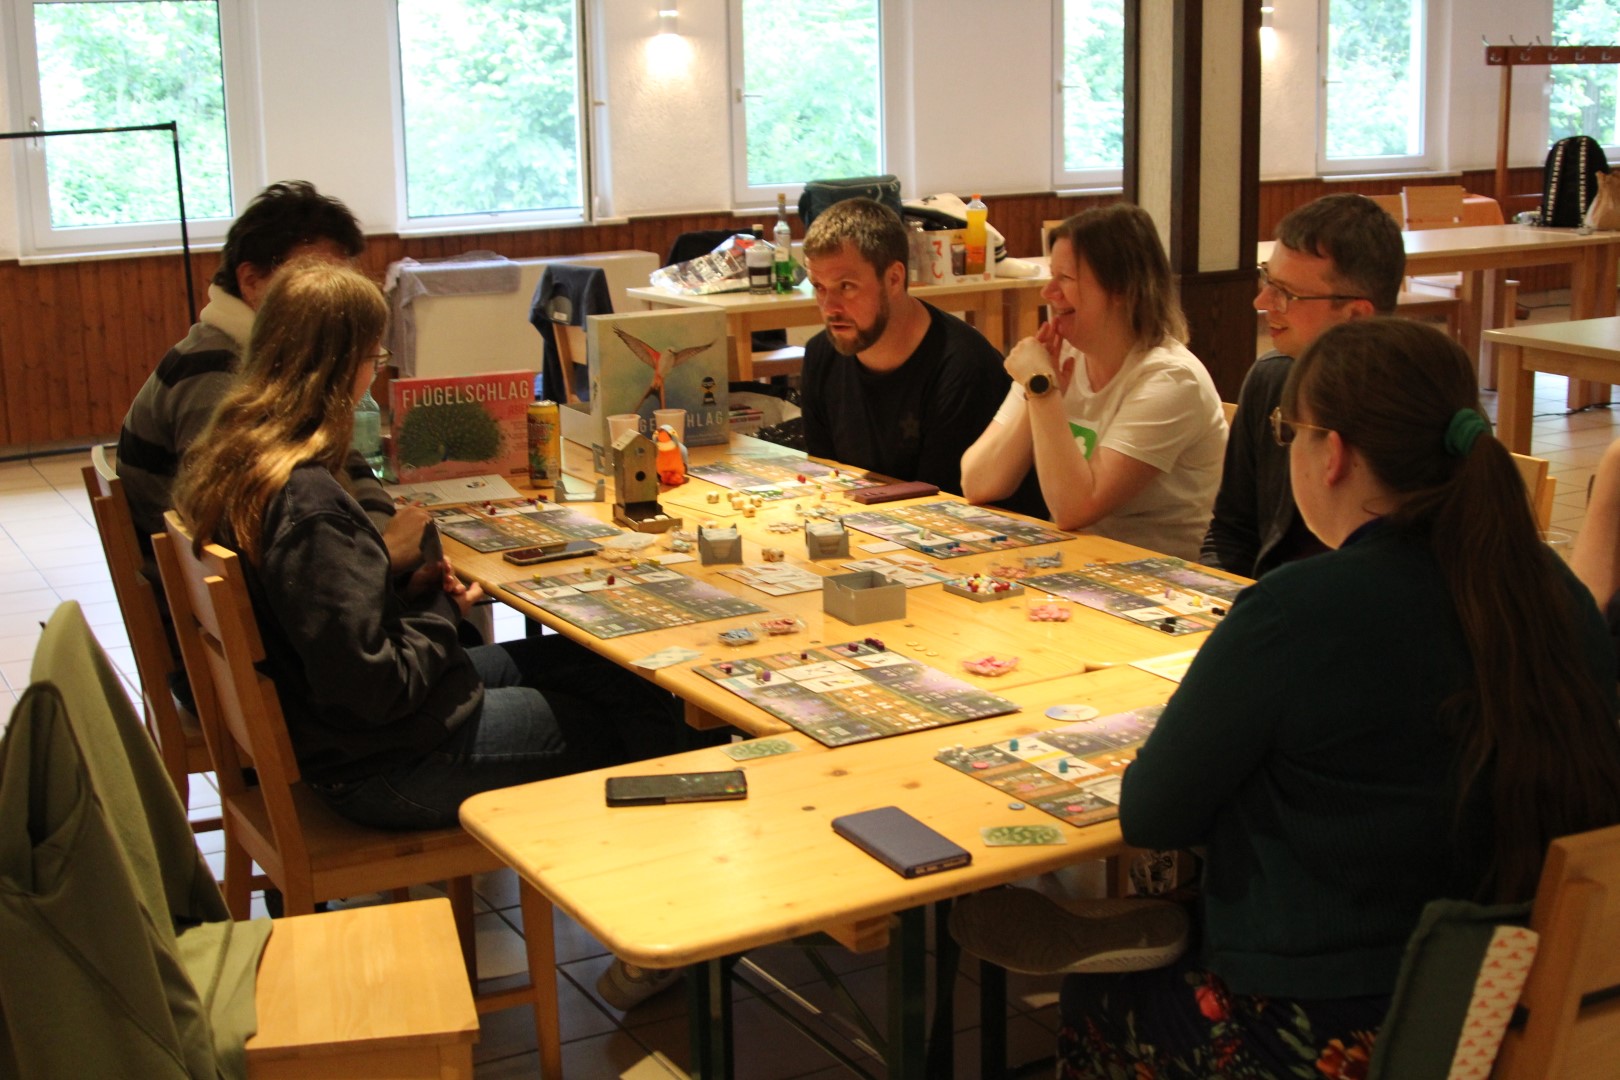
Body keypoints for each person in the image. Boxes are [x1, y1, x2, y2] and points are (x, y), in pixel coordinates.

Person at [1048, 318, 1620, 1077]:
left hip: (1338, 1018)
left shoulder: (1298, 610)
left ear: (1335, 454)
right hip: (1509, 991)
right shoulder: (1553, 592)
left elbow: (1152, 814)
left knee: (1101, 995)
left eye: (1290, 432)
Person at [173, 260, 692, 1005]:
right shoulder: (307, 500)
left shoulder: (243, 458)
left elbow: (327, 625)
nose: (376, 373)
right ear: (341, 368)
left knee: (609, 672)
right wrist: (438, 611)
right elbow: (371, 687)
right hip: (383, 764)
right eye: (373, 357)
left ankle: (660, 911)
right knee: (625, 726)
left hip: (355, 734)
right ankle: (665, 929)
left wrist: (395, 579)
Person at [117, 180, 416, 563]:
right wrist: (385, 554)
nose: (334, 297)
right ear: (251, 282)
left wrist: (380, 532)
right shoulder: (217, 376)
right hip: (216, 591)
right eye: (311, 278)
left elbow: (346, 458)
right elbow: (248, 539)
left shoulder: (261, 361)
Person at [958, 203, 1224, 560]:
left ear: (1120, 288)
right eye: (1051, 276)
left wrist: (1042, 392)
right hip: (1071, 566)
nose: (1048, 292)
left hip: (1154, 578)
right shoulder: (1059, 357)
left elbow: (1073, 509)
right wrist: (1037, 393)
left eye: (1065, 279)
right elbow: (977, 483)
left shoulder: (1171, 379)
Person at [1201, 192, 1405, 578]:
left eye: (1286, 293)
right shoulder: (1271, 381)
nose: (1261, 301)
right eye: (1267, 279)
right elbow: (1232, 532)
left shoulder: (1420, 408)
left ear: (1355, 315)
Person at [798, 197, 1043, 514]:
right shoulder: (821, 355)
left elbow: (943, 505)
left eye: (846, 286)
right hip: (879, 524)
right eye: (819, 287)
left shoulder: (963, 366)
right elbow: (828, 479)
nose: (830, 307)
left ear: (894, 278)